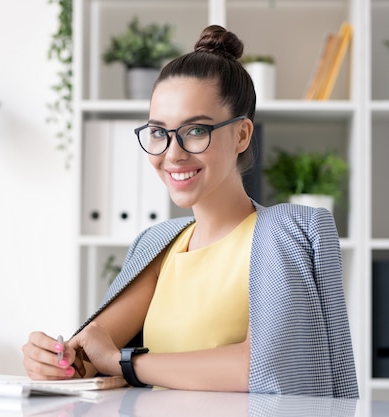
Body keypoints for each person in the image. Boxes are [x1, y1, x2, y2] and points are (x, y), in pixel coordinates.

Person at [22, 24, 358, 398]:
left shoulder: (280, 233)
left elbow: (263, 365)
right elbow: (89, 355)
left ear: (242, 135)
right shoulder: (159, 244)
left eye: (196, 131)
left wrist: (126, 362)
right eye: (158, 132)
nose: (172, 153)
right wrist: (55, 361)